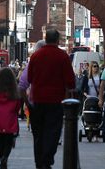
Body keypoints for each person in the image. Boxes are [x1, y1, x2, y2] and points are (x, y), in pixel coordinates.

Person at [27, 30, 75, 169]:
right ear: (58, 40)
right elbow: (71, 82)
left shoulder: (36, 56)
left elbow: (29, 78)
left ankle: (39, 161)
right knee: (52, 132)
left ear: (45, 39)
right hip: (56, 100)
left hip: (38, 99)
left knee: (38, 133)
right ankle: (47, 159)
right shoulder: (62, 56)